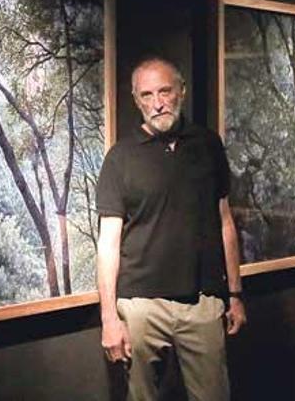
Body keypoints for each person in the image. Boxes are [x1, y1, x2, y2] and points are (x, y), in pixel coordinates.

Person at [96, 56, 246, 401]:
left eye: (165, 91)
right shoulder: (120, 159)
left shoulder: (208, 146)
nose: (158, 103)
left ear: (182, 91)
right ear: (136, 101)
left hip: (204, 303)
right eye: (147, 95)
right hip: (140, 307)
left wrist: (235, 294)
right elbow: (108, 244)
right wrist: (109, 319)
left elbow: (225, 221)